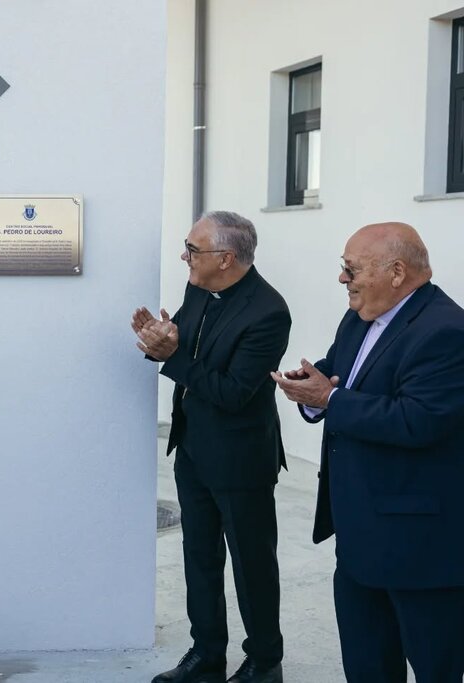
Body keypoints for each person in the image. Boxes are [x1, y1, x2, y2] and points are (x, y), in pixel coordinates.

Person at [272, 222, 464, 683]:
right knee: (366, 667)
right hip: (360, 536)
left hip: (420, 551)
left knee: (435, 670)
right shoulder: (359, 316)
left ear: (396, 272)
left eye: (351, 268)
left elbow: (417, 420)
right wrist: (309, 388)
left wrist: (329, 399)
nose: (343, 278)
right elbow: (338, 374)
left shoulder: (447, 331)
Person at [133, 211, 290, 683]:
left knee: (252, 565)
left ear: (225, 258)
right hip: (194, 450)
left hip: (242, 460)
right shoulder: (200, 287)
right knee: (199, 559)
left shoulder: (269, 312)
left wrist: (172, 356)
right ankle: (206, 656)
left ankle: (265, 661)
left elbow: (232, 392)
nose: (185, 256)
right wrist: (160, 338)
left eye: (192, 249)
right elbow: (183, 341)